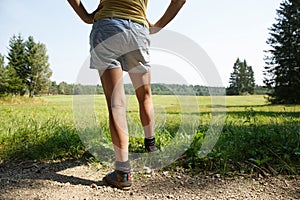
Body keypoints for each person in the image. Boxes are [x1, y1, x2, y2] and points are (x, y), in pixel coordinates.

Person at [67, 0, 186, 190]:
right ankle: (151, 148)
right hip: (138, 29)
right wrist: (156, 26)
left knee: (116, 102)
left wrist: (85, 16)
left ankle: (123, 172)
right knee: (145, 95)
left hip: (108, 26)